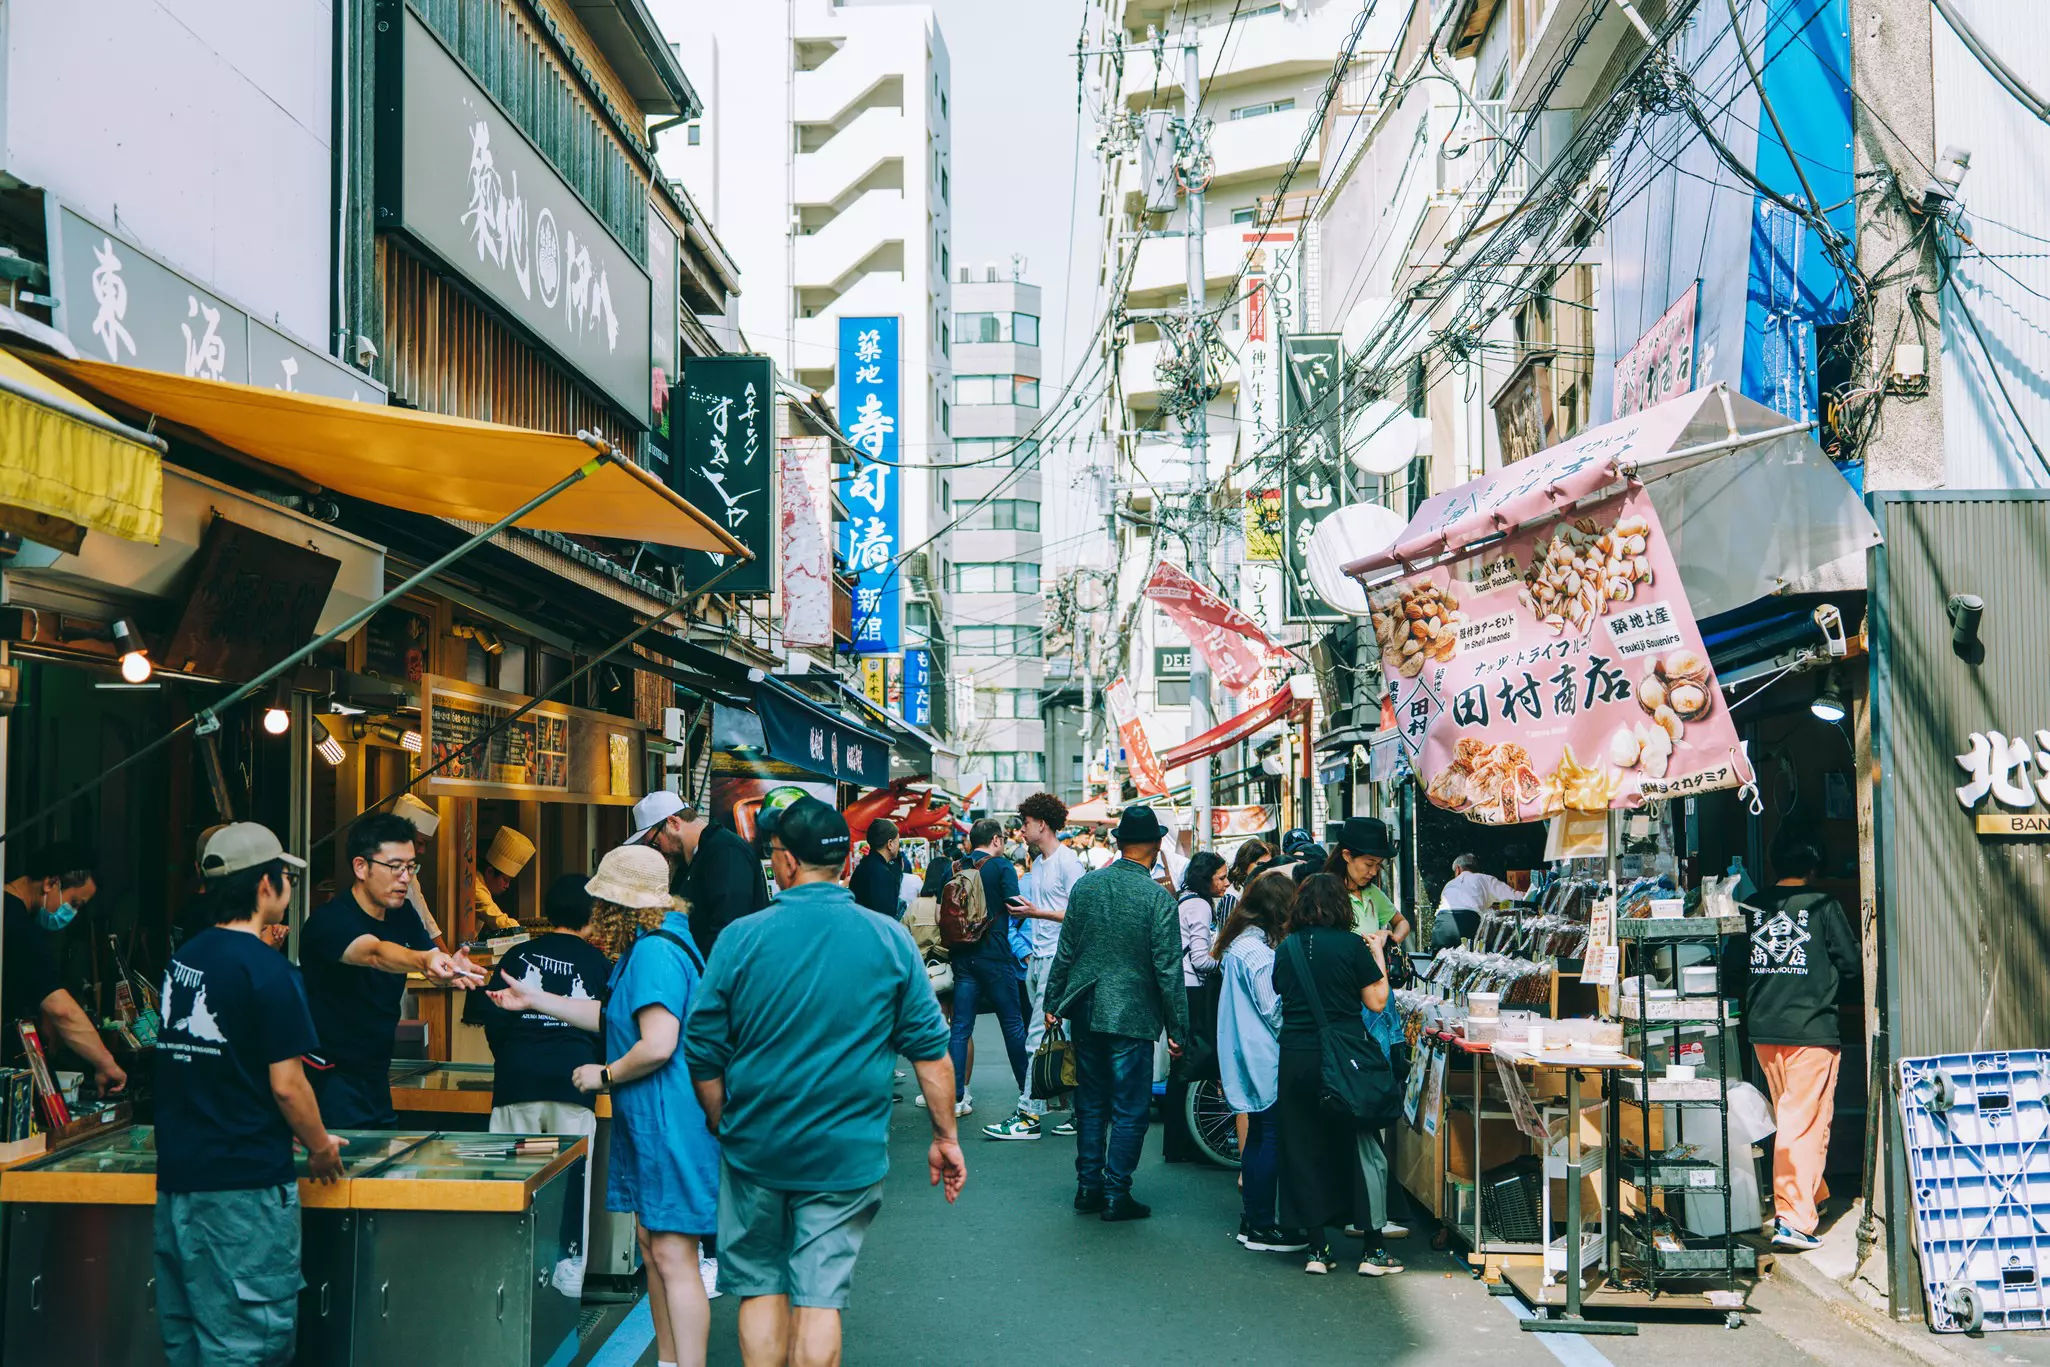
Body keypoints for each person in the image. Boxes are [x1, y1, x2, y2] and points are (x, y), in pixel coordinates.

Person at [684, 798, 963, 1367]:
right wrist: (945, 1137)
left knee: (760, 1286)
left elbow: (703, 1050)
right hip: (845, 1151)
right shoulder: (888, 939)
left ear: (785, 862)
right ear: (843, 861)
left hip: (756, 1143)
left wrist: (721, 1119)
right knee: (818, 1297)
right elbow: (931, 1055)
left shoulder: (740, 937)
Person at [494, 844, 720, 1367]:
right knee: (656, 1248)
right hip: (663, 1123)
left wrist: (606, 1073)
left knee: (672, 1254)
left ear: (617, 907)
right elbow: (611, 1016)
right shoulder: (664, 943)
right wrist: (535, 999)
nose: (596, 915)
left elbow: (658, 1042)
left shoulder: (655, 953)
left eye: (603, 904)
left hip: (668, 1123)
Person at [153, 823, 340, 1367]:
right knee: (247, 1347)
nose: (287, 888)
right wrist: (321, 1146)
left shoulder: (184, 959)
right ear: (265, 885)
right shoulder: (269, 970)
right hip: (245, 1191)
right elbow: (288, 1086)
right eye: (284, 877)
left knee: (187, 1340)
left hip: (180, 1186)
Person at [463, 872, 614, 1297]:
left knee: (516, 1176)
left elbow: (491, 1018)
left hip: (518, 1084)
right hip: (573, 1086)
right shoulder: (599, 964)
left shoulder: (518, 955)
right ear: (591, 916)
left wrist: (513, 1057)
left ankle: (509, 1273)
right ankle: (567, 1279)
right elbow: (609, 1027)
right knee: (570, 1180)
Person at [1042, 804, 1189, 1221]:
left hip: (1085, 1006)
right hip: (1132, 1011)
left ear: (1119, 843)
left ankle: (1088, 1186)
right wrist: (1178, 1027)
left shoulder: (1086, 887)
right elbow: (1168, 968)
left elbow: (1065, 950)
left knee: (1090, 1103)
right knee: (1129, 1106)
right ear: (1156, 846)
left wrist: (1054, 1001)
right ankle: (1115, 1193)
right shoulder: (1158, 899)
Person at [302, 813, 485, 1128]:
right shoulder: (330, 921)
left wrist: (451, 964)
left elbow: (428, 955)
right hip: (327, 1078)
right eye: (395, 866)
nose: (406, 877)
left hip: (376, 1073)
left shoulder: (401, 914)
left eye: (411, 867)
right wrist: (424, 960)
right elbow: (374, 952)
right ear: (361, 867)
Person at [1272, 873, 1400, 1276]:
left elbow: (1280, 991)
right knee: (1361, 1145)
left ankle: (1317, 1249)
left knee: (1302, 1147)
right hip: (1345, 1057)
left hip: (1296, 1057)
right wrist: (1377, 951)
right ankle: (1374, 1251)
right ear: (1342, 908)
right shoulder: (1350, 945)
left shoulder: (1287, 947)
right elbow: (1377, 1001)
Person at [1739, 825, 1859, 1252]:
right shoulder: (1823, 904)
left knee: (1792, 1118)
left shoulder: (1752, 906)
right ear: (1813, 865)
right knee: (1803, 1122)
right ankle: (1793, 1219)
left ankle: (1815, 1195)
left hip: (1765, 1030)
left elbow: (1736, 966)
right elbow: (1852, 963)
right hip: (1811, 1028)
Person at [984, 792, 1085, 1142]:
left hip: (1060, 960)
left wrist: (1035, 913)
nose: (1021, 830)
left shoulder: (1069, 862)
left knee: (1038, 1037)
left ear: (1042, 824)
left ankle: (1028, 1114)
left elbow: (1079, 914)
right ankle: (1081, 1112)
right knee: (1063, 1038)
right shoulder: (1038, 863)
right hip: (1039, 960)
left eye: (1025, 824)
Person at [1214, 870, 1303, 1253]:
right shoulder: (1258, 954)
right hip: (1265, 1054)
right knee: (1268, 1137)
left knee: (1257, 1140)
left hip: (1245, 1051)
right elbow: (1274, 1010)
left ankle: (1253, 1220)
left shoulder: (1240, 945)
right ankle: (1263, 1225)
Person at [1, 843, 125, 1091]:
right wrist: (106, 1063)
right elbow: (62, 1010)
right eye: (75, 903)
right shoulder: (17, 927)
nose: (72, 914)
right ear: (50, 883)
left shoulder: (11, 913)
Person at [944, 818, 1031, 1119]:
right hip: (994, 952)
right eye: (1004, 838)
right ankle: (1027, 1092)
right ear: (995, 840)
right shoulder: (1002, 866)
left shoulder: (955, 867)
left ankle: (955, 1097)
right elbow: (1016, 906)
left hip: (962, 955)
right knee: (1012, 1023)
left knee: (961, 1026)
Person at [632, 790, 772, 957]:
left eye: (655, 843)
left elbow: (727, 929)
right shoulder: (692, 857)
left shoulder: (727, 852)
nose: (658, 850)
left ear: (673, 822)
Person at [1163, 851, 1228, 1163]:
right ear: (1207, 878)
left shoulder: (1185, 899)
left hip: (1181, 987)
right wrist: (1228, 962)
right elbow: (1201, 959)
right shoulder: (1200, 905)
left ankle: (1178, 1142)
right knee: (1194, 1062)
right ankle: (1189, 1141)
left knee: (1183, 1064)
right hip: (1194, 990)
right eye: (1221, 877)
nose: (1226, 884)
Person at [1328, 817, 1410, 947]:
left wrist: (1391, 939)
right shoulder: (1325, 893)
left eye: (1378, 864)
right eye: (1369, 864)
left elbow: (1401, 922)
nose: (1373, 872)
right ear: (1347, 855)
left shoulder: (1372, 893)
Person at [391, 794, 450, 949]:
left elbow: (424, 919)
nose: (422, 850)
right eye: (420, 843)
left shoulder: (410, 872)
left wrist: (446, 957)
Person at [1432, 853, 1520, 951]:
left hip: (1441, 925)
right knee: (1470, 962)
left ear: (1458, 869)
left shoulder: (1449, 884)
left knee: (1438, 963)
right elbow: (1516, 897)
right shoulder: (1485, 879)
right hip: (1468, 923)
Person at [473, 827, 535, 934]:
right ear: (490, 872)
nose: (507, 886)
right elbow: (497, 919)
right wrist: (525, 931)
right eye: (505, 880)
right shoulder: (476, 887)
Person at [849, 818, 905, 919]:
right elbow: (886, 917)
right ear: (890, 844)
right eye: (898, 842)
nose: (898, 847)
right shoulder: (883, 873)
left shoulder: (862, 867)